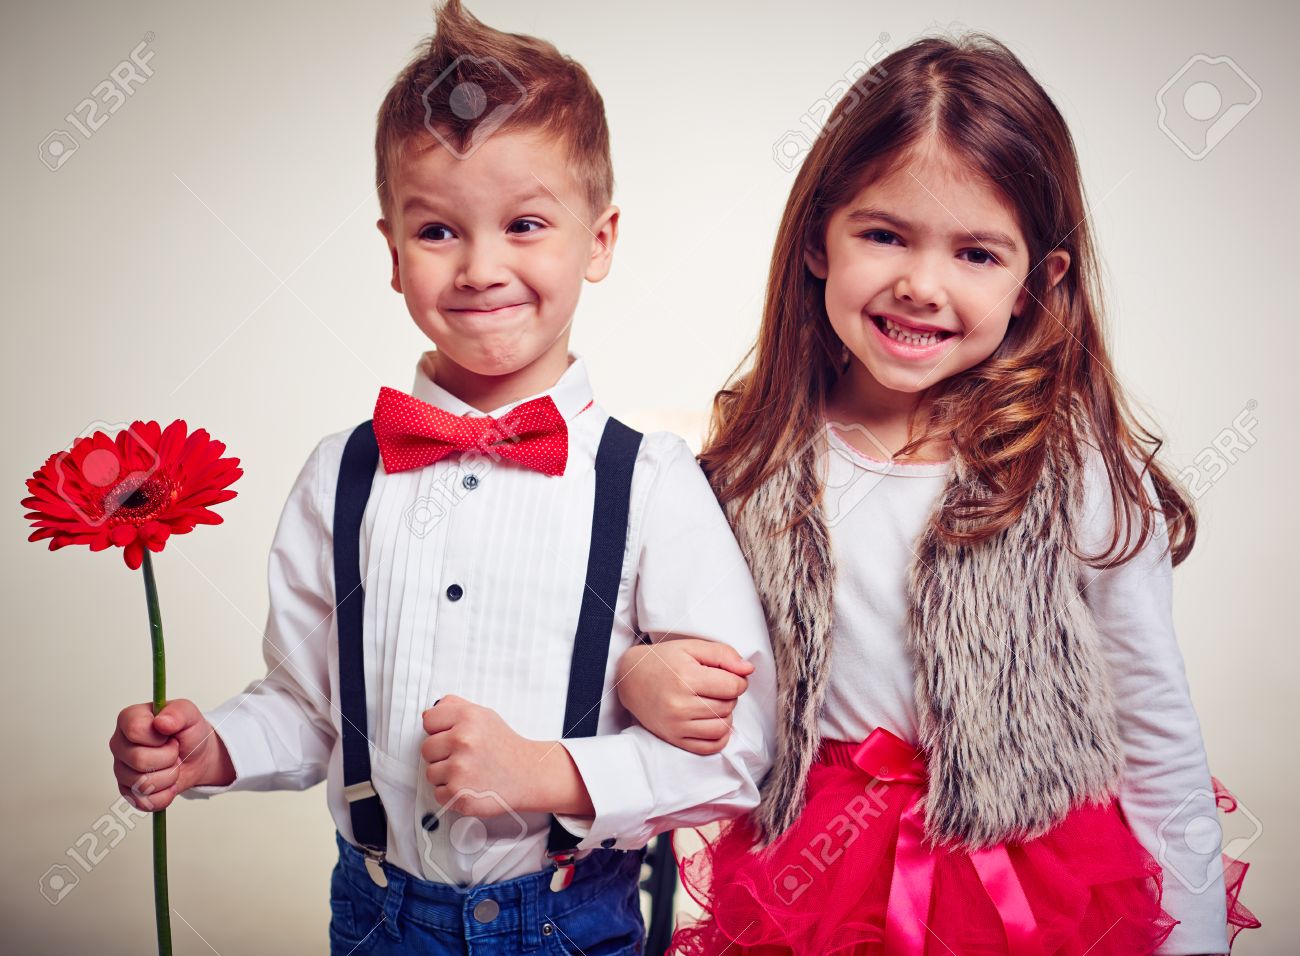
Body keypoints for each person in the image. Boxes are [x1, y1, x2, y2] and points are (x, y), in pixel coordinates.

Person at [106, 3, 775, 953]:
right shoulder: (341, 473)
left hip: (569, 920)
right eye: (437, 231)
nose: (480, 266)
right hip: (377, 917)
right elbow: (307, 706)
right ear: (391, 252)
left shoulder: (653, 481)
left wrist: (550, 772)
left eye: (527, 222)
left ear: (601, 240)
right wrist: (212, 748)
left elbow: (739, 753)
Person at [616, 32, 1258, 956]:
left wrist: (1190, 941)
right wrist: (639, 672)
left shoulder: (1073, 468)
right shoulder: (748, 463)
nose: (922, 285)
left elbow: (1156, 730)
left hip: (1031, 883)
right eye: (884, 235)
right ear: (816, 243)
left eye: (977, 254)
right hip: (812, 883)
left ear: (1039, 284)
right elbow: (674, 648)